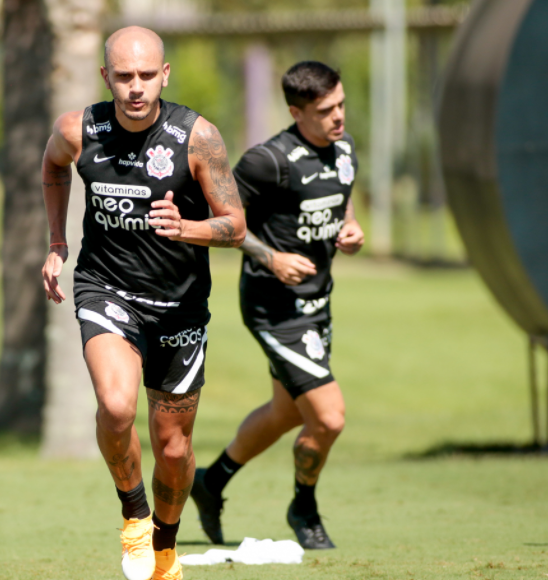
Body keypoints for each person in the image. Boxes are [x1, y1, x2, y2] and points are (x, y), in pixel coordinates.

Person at [41, 26, 246, 580]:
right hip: (105, 290)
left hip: (179, 308)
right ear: (107, 77)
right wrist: (58, 243)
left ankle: (164, 547)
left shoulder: (197, 137)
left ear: (165, 74)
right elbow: (53, 165)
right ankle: (134, 516)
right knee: (114, 405)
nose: (136, 88)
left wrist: (189, 229)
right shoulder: (79, 130)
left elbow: (234, 226)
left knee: (174, 451)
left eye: (147, 76)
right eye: (125, 76)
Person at [189, 61, 365, 550]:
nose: (338, 117)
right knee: (327, 417)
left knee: (287, 412)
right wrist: (272, 258)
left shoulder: (345, 148)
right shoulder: (268, 161)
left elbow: (340, 198)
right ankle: (302, 507)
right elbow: (222, 222)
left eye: (342, 105)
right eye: (326, 110)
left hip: (318, 303)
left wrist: (348, 228)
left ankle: (212, 482)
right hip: (273, 307)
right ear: (296, 111)